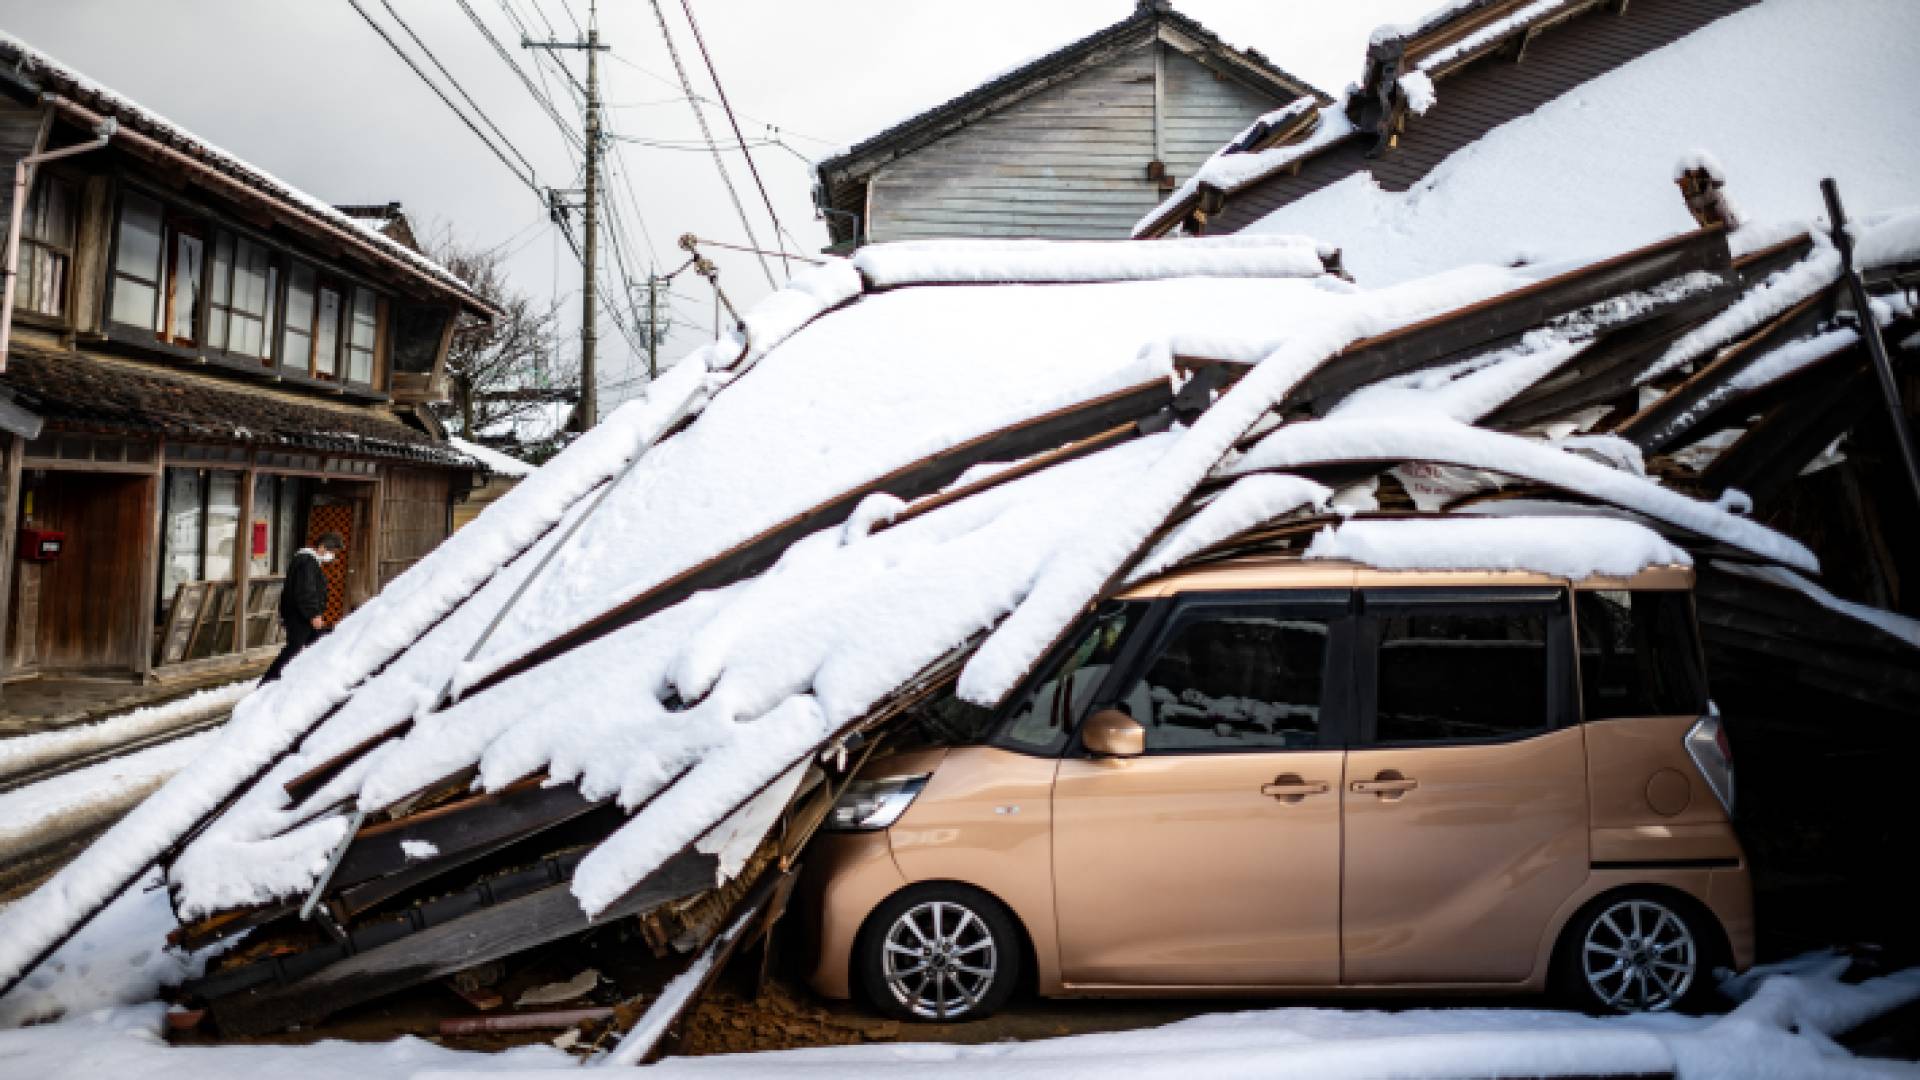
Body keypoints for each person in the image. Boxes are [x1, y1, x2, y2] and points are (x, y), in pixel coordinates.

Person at [264, 532, 343, 682]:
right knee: (294, 648)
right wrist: (314, 614)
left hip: (300, 614)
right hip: (300, 616)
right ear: (322, 547)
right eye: (332, 551)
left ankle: (308, 680)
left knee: (317, 643)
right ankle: (269, 681)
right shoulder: (307, 562)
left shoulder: (307, 561)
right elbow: (306, 591)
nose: (332, 555)